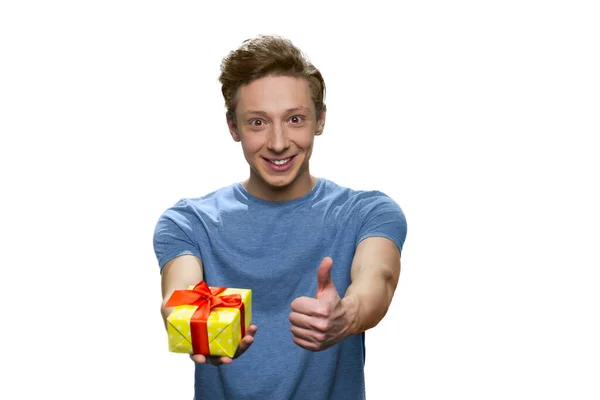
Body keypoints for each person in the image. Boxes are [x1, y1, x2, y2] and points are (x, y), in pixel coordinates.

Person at [153, 34, 408, 400]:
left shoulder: (367, 212)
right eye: (257, 122)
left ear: (320, 119)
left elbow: (378, 280)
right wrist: (198, 327)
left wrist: (346, 315)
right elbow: (178, 295)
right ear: (233, 127)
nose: (277, 142)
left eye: (295, 119)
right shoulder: (188, 221)